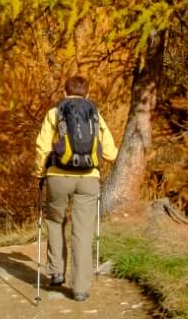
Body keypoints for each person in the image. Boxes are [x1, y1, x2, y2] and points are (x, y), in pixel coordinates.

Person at [34, 75, 118, 301]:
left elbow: (42, 147)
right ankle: (80, 288)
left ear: (64, 93)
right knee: (82, 232)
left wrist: (40, 174)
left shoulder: (54, 113)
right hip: (89, 178)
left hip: (58, 175)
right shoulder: (95, 114)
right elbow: (110, 152)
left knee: (55, 221)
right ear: (87, 94)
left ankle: (56, 272)